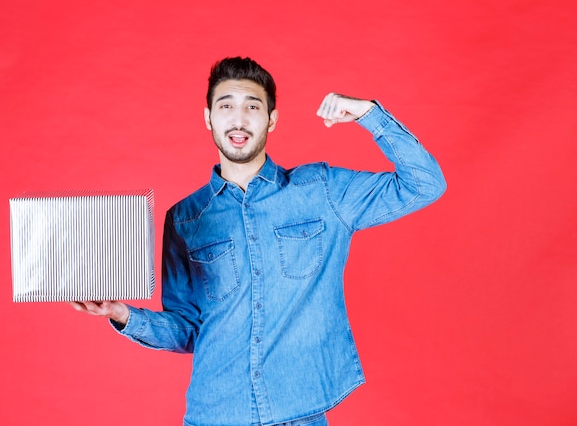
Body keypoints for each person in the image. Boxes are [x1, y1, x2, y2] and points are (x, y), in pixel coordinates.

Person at [70, 56, 446, 426]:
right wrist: (120, 313)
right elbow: (188, 330)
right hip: (213, 413)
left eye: (252, 106)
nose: (239, 118)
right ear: (208, 118)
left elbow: (424, 184)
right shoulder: (184, 218)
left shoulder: (323, 191)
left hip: (299, 413)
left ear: (272, 119)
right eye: (226, 106)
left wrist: (369, 114)